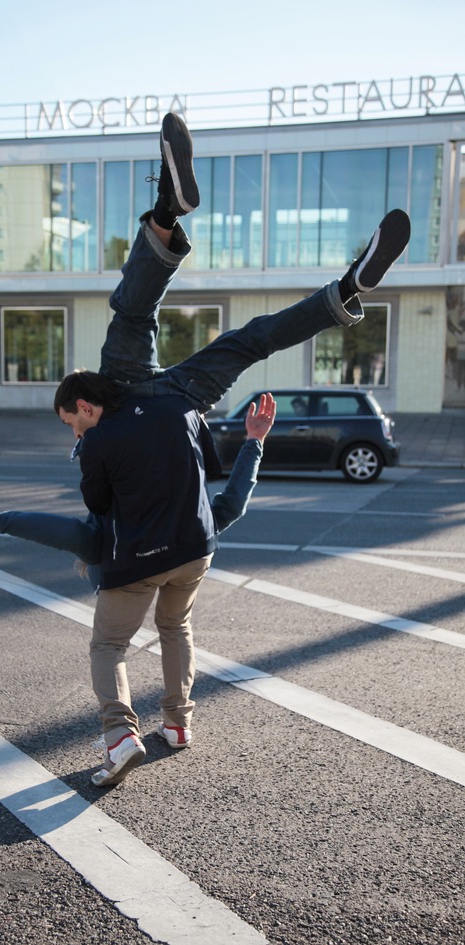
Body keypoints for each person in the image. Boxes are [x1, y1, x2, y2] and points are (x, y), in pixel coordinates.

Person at [52, 113, 411, 787]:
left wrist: (65, 484)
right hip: (174, 410)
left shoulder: (98, 431)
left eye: (71, 421)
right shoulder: (136, 412)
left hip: (163, 471)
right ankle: (342, 291)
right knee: (236, 335)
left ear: (81, 405)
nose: (74, 429)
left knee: (123, 638)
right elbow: (218, 500)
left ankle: (174, 210)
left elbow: (93, 507)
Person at [0, 394, 276, 589]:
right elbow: (231, 507)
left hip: (124, 574)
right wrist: (254, 443)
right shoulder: (194, 514)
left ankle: (119, 714)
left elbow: (63, 532)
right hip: (192, 553)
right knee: (177, 630)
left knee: (109, 645)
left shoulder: (105, 536)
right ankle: (178, 713)